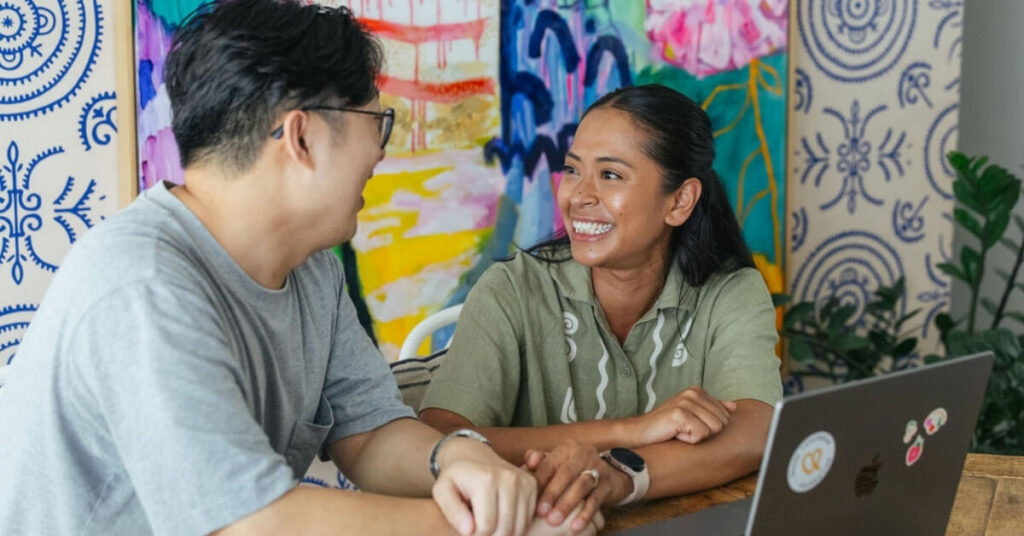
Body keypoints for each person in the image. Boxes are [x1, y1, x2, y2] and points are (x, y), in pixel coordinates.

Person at [0, 2, 603, 534]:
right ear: (302, 136)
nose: (381, 150)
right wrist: (495, 528)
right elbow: (249, 522)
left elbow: (368, 432)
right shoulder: (142, 283)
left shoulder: (313, 269)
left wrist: (456, 458)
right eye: (377, 122)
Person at [421, 84, 783, 533]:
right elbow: (438, 438)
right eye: (572, 170)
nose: (578, 196)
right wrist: (632, 432)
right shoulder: (513, 290)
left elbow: (757, 431)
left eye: (610, 175)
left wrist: (617, 475)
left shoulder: (730, 291)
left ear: (679, 201)